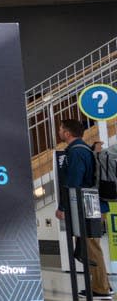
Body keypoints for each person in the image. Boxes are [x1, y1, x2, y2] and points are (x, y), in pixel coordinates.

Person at [56, 119, 111, 300]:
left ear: (67, 133)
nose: (59, 132)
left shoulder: (77, 152)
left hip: (87, 205)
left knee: (91, 248)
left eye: (61, 129)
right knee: (91, 246)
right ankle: (102, 285)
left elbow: (74, 182)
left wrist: (63, 207)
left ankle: (101, 288)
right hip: (92, 204)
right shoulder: (82, 149)